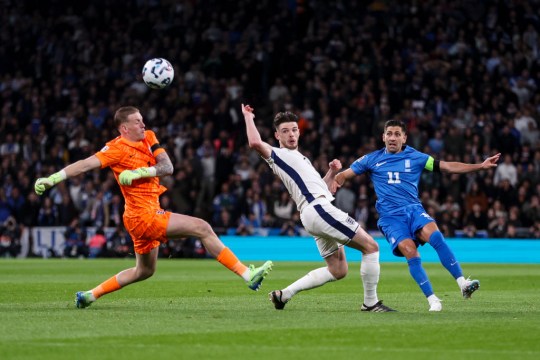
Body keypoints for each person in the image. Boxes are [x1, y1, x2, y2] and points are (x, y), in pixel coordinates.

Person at [34, 106, 273, 309]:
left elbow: (167, 166)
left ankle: (89, 295)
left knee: (144, 271)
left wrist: (140, 172)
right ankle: (246, 274)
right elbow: (85, 165)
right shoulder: (115, 149)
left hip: (143, 215)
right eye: (137, 122)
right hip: (142, 216)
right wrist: (52, 179)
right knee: (202, 227)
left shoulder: (149, 137)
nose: (143, 124)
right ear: (124, 128)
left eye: (142, 120)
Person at [333, 119, 501, 311]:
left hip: (413, 209)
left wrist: (479, 166)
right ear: (383, 137)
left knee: (436, 236)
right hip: (391, 218)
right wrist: (332, 179)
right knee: (411, 252)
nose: (393, 138)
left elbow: (446, 166)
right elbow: (344, 176)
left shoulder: (417, 157)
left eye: (397, 134)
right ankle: (433, 300)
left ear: (404, 138)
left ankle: (463, 283)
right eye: (389, 133)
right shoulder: (371, 159)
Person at [241, 104, 394, 312]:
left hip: (314, 212)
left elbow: (324, 190)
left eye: (294, 129)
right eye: (285, 131)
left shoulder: (301, 158)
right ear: (277, 135)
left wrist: (331, 173)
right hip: (319, 210)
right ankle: (371, 303)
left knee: (338, 269)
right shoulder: (278, 154)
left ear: (299, 131)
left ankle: (284, 295)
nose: (291, 134)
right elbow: (254, 142)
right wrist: (248, 116)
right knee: (371, 247)